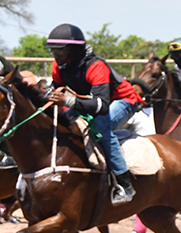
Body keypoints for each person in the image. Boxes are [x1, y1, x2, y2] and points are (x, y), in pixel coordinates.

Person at [45, 23, 143, 205]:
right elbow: (57, 87)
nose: (55, 56)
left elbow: (102, 106)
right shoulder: (58, 66)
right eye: (53, 51)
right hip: (90, 101)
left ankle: (125, 184)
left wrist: (67, 101)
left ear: (73, 51)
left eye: (60, 51)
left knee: (100, 127)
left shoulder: (95, 66)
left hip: (123, 100)